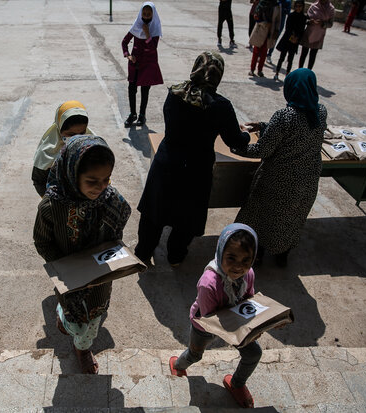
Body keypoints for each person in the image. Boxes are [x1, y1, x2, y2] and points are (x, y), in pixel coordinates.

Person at [135, 51, 250, 267]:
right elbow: (236, 140)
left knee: (155, 211)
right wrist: (243, 132)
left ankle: (142, 253)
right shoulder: (220, 106)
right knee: (186, 216)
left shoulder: (175, 92)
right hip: (196, 170)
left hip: (167, 162)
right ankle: (175, 256)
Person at [33, 135, 131, 374]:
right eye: (92, 181)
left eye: (106, 179)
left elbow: (117, 229)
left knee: (94, 315)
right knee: (75, 315)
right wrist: (68, 267)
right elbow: (43, 241)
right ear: (72, 173)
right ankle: (73, 331)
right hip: (70, 276)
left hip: (100, 275)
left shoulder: (112, 199)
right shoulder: (52, 206)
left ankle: (83, 346)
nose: (100, 187)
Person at [234, 69, 327, 266]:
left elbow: (262, 149)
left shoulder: (284, 116)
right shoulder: (320, 111)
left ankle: (256, 254)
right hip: (307, 181)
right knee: (291, 218)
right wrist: (262, 125)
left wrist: (236, 146)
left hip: (278, 181)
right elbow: (299, 131)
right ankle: (282, 255)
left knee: (262, 217)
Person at [169, 223, 261, 409]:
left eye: (246, 260)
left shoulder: (248, 274)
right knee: (195, 355)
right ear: (220, 253)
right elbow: (211, 319)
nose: (238, 267)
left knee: (254, 353)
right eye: (231, 258)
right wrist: (244, 330)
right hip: (204, 326)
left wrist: (259, 324)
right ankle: (178, 365)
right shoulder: (209, 283)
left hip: (235, 325)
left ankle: (237, 383)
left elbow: (249, 298)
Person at [32, 101, 95, 197]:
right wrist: (51, 202)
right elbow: (38, 180)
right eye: (71, 134)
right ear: (59, 127)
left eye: (82, 133)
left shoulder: (93, 145)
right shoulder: (47, 152)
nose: (77, 139)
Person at [122, 2, 164, 127]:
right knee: (131, 89)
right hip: (135, 64)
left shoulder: (155, 29)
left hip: (148, 64)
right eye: (144, 14)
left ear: (153, 14)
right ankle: (132, 114)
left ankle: (142, 115)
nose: (146, 17)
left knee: (145, 90)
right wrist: (128, 55)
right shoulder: (136, 26)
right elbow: (124, 42)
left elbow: (152, 48)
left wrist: (147, 34)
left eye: (148, 14)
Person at [273, 0, 307, 79]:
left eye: (300, 6)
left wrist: (297, 38)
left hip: (295, 41)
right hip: (287, 39)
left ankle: (287, 75)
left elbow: (302, 30)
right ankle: (277, 73)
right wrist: (292, 37)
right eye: (297, 6)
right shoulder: (291, 15)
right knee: (282, 57)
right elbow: (287, 28)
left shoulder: (303, 17)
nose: (298, 8)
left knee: (290, 59)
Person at [298, 0, 334, 70]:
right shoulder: (313, 6)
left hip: (319, 35)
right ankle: (300, 71)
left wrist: (323, 23)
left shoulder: (331, 9)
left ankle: (309, 72)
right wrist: (310, 21)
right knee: (303, 54)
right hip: (309, 33)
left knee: (313, 55)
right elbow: (306, 19)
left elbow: (330, 24)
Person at [249, 0, 281, 77]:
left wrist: (276, 30)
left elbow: (278, 20)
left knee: (264, 52)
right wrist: (265, 23)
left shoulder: (277, 5)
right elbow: (256, 17)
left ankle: (260, 70)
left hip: (270, 32)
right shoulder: (262, 3)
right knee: (256, 51)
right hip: (261, 30)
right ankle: (252, 69)